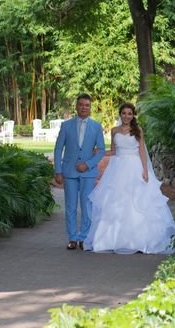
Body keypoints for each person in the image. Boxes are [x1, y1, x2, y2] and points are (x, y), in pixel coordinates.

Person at [84, 102, 175, 254]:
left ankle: (139, 240)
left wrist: (145, 171)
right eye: (124, 113)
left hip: (135, 167)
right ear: (120, 114)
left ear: (133, 116)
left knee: (137, 203)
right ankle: (111, 240)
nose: (126, 116)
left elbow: (141, 152)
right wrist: (98, 153)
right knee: (116, 202)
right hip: (118, 169)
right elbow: (113, 151)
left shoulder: (137, 130)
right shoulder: (114, 131)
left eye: (129, 114)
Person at [54, 94, 105, 250]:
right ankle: (72, 238)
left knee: (86, 205)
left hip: (88, 173)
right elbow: (58, 149)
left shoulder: (96, 126)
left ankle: (84, 237)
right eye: (81, 105)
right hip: (69, 172)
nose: (84, 108)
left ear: (90, 108)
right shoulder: (66, 125)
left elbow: (101, 150)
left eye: (87, 105)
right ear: (76, 106)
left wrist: (88, 164)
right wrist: (58, 170)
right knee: (70, 206)